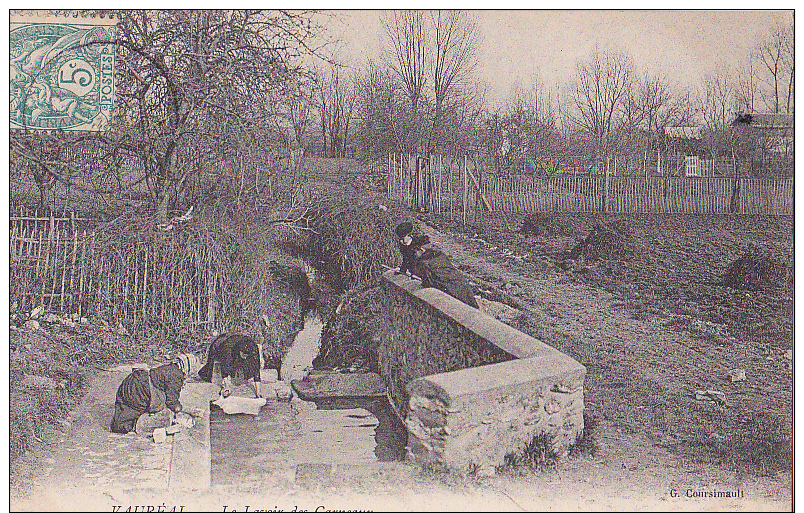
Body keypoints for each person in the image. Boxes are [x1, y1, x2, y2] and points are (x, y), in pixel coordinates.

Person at [394, 221, 479, 309]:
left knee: (454, 284)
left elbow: (432, 261)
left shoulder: (422, 244)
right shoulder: (404, 246)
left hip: (438, 268)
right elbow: (406, 259)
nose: (401, 240)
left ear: (409, 235)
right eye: (400, 238)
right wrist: (402, 271)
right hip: (429, 271)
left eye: (403, 238)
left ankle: (470, 304)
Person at [110, 358, 190, 435]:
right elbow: (172, 401)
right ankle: (129, 426)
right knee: (160, 414)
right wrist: (179, 410)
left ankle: (120, 423)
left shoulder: (169, 367)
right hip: (140, 390)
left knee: (125, 407)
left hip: (132, 380)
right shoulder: (177, 375)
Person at [197, 333, 263, 399]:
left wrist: (258, 392)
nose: (245, 357)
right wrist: (226, 386)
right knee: (210, 367)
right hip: (220, 343)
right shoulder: (228, 349)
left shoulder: (254, 349)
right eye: (244, 355)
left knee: (244, 363)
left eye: (247, 355)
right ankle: (203, 375)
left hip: (237, 340)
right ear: (240, 351)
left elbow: (256, 370)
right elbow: (224, 366)